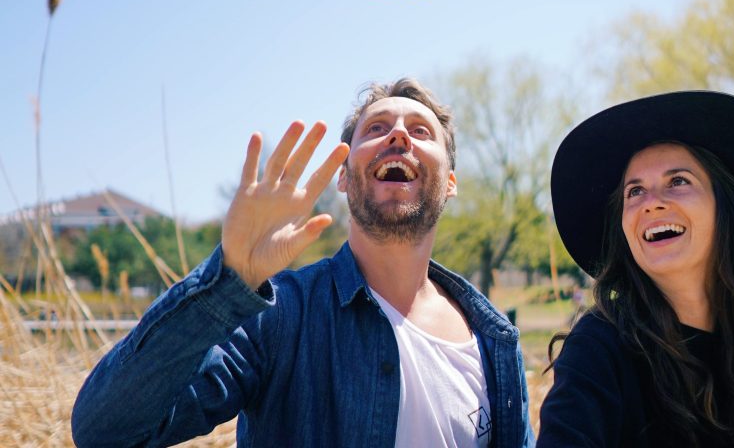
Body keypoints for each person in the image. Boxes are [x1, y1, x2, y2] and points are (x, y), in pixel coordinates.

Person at [72, 79, 533, 447]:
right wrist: (227, 282)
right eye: (376, 129)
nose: (397, 135)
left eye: (420, 130)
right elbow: (104, 432)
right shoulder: (279, 316)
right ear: (344, 179)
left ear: (450, 182)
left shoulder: (494, 341)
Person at [538, 91, 734, 447]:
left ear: (727, 208)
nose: (652, 204)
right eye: (634, 191)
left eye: (678, 182)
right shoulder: (600, 350)